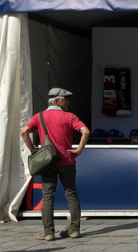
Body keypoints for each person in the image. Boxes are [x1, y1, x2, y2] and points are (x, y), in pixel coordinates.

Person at [21, 87, 90, 241]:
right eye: (66, 100)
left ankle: (48, 232)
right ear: (57, 101)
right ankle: (74, 230)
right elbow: (85, 131)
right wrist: (79, 149)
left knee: (47, 196)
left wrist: (33, 150)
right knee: (71, 194)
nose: (69, 102)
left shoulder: (39, 116)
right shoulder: (70, 116)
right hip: (67, 161)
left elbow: (24, 132)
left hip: (47, 162)